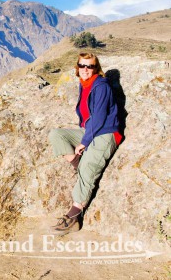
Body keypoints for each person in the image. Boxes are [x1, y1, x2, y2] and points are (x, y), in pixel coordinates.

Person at [48, 52, 122, 234]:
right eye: (82, 66)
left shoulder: (101, 86)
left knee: (89, 165)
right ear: (77, 67)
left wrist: (84, 141)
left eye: (90, 66)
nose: (85, 69)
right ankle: (78, 164)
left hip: (106, 133)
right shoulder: (84, 84)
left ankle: (74, 216)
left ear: (96, 68)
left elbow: (99, 117)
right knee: (57, 135)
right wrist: (84, 136)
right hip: (90, 130)